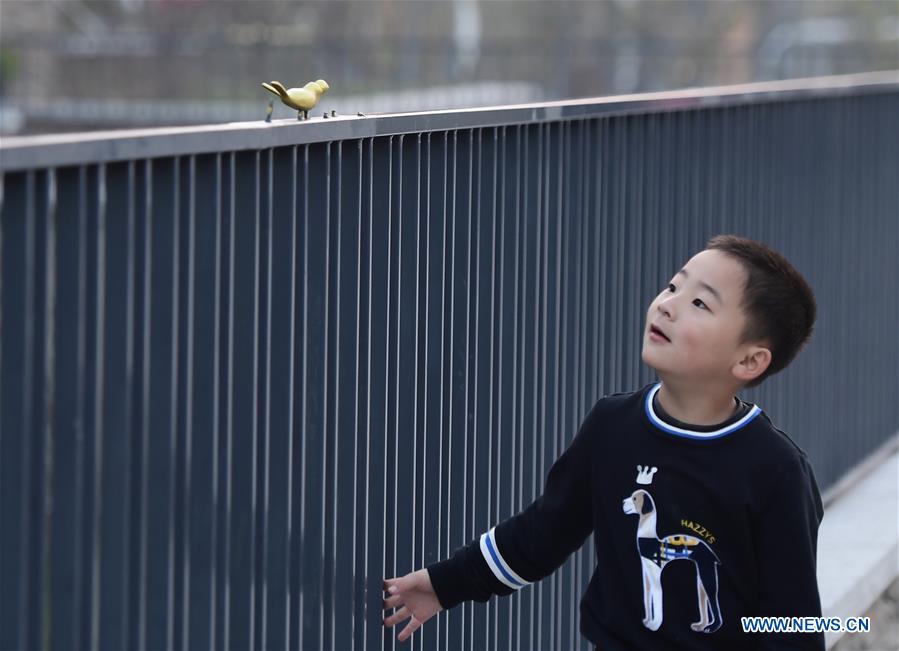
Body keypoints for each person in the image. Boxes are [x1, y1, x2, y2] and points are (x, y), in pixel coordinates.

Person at [383, 234, 824, 650]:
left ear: (749, 360)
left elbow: (793, 621)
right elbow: (543, 533)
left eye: (699, 303)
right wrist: (445, 584)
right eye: (673, 286)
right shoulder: (613, 426)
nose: (667, 305)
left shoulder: (775, 470)